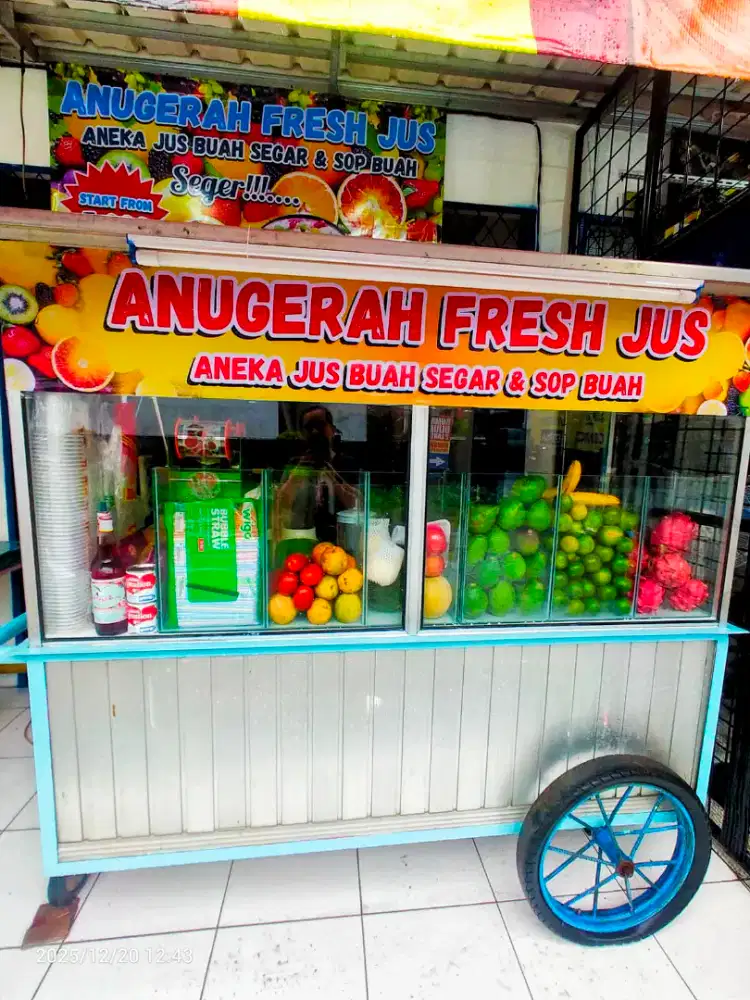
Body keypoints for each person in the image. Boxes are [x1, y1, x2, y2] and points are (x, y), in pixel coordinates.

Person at [276, 406, 358, 548]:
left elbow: (355, 506)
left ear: (332, 429)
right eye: (309, 427)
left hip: (339, 543)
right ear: (302, 433)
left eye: (320, 425)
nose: (315, 432)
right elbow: (281, 505)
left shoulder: (346, 463)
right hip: (301, 541)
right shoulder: (295, 464)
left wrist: (332, 476)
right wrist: (299, 472)